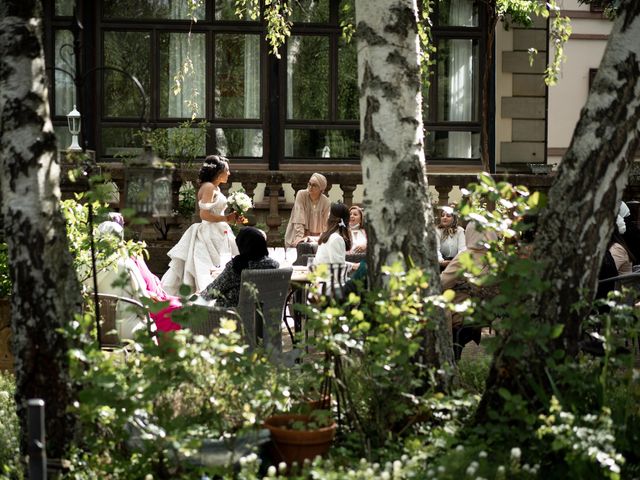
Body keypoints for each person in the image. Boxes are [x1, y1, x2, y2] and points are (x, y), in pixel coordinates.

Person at [161, 155, 240, 295]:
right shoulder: (209, 187)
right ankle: (206, 295)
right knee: (207, 268)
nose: (229, 173)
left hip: (219, 230)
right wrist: (226, 218)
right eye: (226, 170)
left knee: (220, 264)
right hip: (210, 233)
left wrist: (230, 218)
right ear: (218, 172)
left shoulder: (214, 187)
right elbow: (204, 214)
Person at [440, 221, 498, 361]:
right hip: (486, 313)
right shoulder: (497, 258)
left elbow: (441, 283)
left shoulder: (465, 257)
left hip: (463, 312)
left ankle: (443, 355)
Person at [201, 227, 279, 307]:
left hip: (231, 315)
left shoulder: (237, 267)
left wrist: (197, 296)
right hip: (264, 315)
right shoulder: (273, 266)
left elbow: (212, 291)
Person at [284, 173, 331, 247]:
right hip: (298, 233)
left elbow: (326, 223)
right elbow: (299, 216)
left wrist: (321, 238)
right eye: (309, 184)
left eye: (314, 185)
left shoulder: (326, 201)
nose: (310, 187)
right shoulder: (301, 194)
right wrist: (299, 237)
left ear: (321, 189)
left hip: (315, 238)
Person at [314, 203, 352, 267]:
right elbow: (338, 268)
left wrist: (352, 265)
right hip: (328, 275)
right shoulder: (336, 238)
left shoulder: (327, 235)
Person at [436, 205, 466, 270]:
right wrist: (441, 261)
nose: (444, 217)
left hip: (456, 262)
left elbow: (462, 249)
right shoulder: (437, 230)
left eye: (448, 216)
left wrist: (456, 262)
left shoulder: (459, 230)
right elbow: (436, 249)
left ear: (454, 218)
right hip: (440, 262)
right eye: (442, 215)